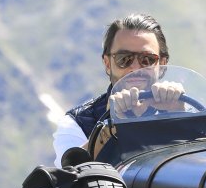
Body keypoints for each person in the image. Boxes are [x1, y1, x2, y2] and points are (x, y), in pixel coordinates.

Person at [50, 12, 184, 163]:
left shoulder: (184, 108)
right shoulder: (78, 123)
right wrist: (109, 127)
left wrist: (181, 120)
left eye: (147, 59)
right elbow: (68, 173)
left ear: (163, 64)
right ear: (108, 64)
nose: (135, 68)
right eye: (124, 59)